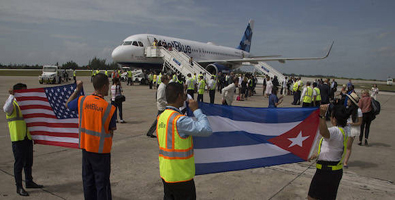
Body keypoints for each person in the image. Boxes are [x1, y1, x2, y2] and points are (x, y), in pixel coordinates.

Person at [157, 82, 212, 200]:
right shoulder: (179, 120)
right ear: (178, 96)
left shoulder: (161, 117)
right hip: (181, 176)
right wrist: (197, 110)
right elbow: (207, 130)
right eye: (183, 94)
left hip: (166, 173)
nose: (185, 97)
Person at [65, 74, 117, 200]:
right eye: (108, 85)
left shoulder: (82, 100)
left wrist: (77, 89)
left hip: (86, 149)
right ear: (104, 86)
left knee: (88, 182)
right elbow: (111, 132)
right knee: (102, 184)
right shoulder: (110, 108)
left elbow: (67, 104)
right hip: (101, 152)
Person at [3, 83, 44, 196]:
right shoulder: (12, 104)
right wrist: (12, 96)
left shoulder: (26, 105)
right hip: (18, 139)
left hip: (27, 138)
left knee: (29, 162)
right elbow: (6, 109)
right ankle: (19, 186)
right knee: (19, 164)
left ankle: (29, 181)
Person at [307, 104, 349, 200]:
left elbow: (324, 132)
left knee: (312, 197)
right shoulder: (344, 131)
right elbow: (333, 149)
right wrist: (317, 155)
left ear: (334, 119)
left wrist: (322, 116)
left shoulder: (335, 131)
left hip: (326, 172)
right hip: (333, 171)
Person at [343, 92, 362, 168]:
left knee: (348, 146)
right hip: (345, 128)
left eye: (349, 100)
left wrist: (350, 123)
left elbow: (360, 122)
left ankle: (345, 162)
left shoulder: (358, 111)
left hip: (352, 129)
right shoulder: (347, 108)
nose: (347, 101)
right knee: (342, 145)